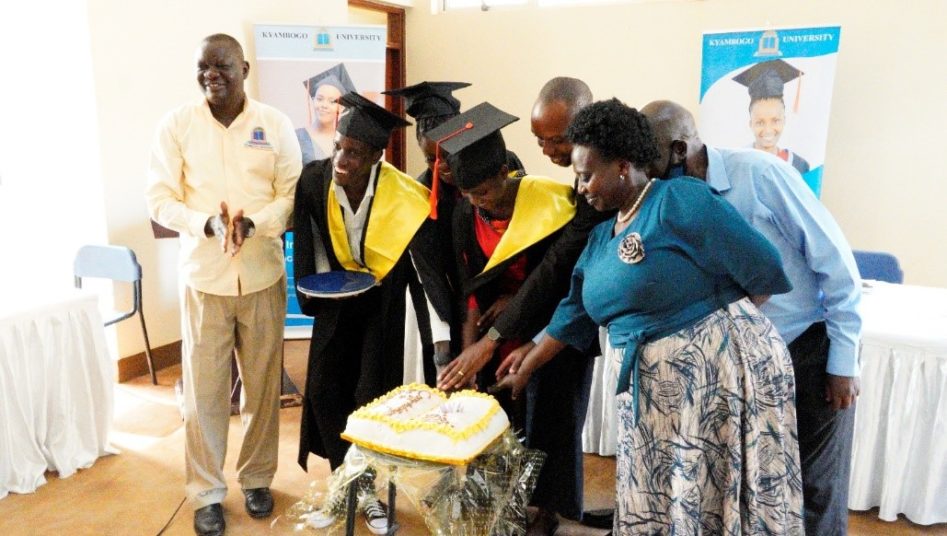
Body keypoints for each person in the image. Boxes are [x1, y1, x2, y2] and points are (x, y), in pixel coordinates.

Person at [494, 98, 804, 534]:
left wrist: (711, 334)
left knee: (711, 501)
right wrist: (524, 367)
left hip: (712, 386)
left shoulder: (679, 200)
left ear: (623, 166)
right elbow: (574, 312)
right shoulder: (602, 236)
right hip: (650, 398)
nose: (581, 188)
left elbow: (763, 269)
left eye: (586, 176)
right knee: (658, 501)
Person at [642, 99, 861, 536]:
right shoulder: (672, 200)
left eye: (651, 161)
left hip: (806, 350)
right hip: (743, 366)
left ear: (679, 150)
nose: (647, 175)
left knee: (815, 489)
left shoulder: (761, 175)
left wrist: (843, 362)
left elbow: (837, 267)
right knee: (761, 490)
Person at [145, 34, 301, 536]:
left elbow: (290, 194)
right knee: (204, 395)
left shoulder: (274, 124)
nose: (212, 74)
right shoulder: (177, 125)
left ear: (245, 68)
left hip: (262, 275)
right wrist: (205, 225)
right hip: (204, 279)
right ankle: (207, 492)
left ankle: (257, 478)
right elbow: (159, 198)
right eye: (203, 67)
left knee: (261, 387)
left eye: (222, 66)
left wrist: (253, 223)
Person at [442, 77, 603, 532]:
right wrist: (471, 351)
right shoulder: (465, 212)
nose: (480, 204)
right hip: (505, 334)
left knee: (552, 421)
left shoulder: (560, 203)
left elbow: (555, 276)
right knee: (509, 419)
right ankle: (513, 501)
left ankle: (549, 510)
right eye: (541, 141)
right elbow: (469, 288)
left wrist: (490, 341)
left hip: (555, 327)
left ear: (504, 174)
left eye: (486, 194)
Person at [292, 92, 447, 534]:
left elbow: (425, 271)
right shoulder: (314, 180)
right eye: (339, 146)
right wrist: (316, 293)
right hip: (336, 300)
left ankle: (368, 493)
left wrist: (438, 337)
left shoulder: (405, 195)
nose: (342, 158)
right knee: (322, 391)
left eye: (354, 152)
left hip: (381, 306)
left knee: (366, 399)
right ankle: (348, 487)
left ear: (377, 155)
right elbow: (308, 241)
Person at [382, 81, 524, 385]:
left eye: (448, 153)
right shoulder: (422, 196)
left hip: (514, 298)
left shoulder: (505, 167)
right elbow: (434, 278)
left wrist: (514, 295)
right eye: (430, 159)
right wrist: (448, 346)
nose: (441, 166)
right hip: (458, 306)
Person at [733, 59, 810, 174]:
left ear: (784, 121)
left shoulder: (798, 166)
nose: (768, 130)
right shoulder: (737, 163)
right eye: (760, 122)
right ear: (751, 124)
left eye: (775, 121)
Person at [296, 63, 356, 165]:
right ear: (313, 100)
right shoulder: (297, 137)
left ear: (341, 108)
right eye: (320, 99)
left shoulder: (346, 141)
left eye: (332, 101)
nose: (324, 105)